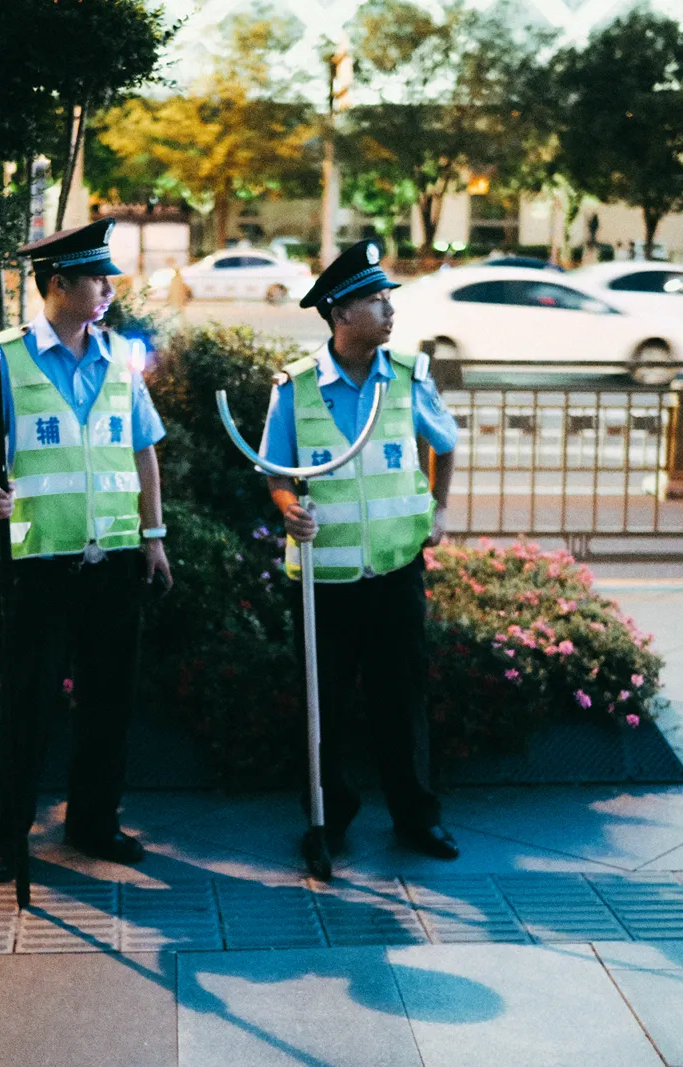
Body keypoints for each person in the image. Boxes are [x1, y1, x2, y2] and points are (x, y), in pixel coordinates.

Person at [0, 219, 172, 883]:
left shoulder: (118, 359)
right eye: (97, 278)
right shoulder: (8, 358)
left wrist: (154, 536)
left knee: (109, 699)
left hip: (114, 558)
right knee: (27, 703)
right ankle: (4, 836)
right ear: (59, 284)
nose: (108, 289)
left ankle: (93, 822)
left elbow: (143, 450)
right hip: (40, 561)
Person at [258, 238, 461, 860]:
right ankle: (328, 817)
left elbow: (444, 441)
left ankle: (415, 816)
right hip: (324, 577)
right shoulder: (294, 387)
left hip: (396, 569)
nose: (389, 309)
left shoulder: (407, 377)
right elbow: (274, 470)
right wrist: (289, 509)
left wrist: (440, 507)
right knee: (325, 706)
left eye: (387, 298)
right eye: (375, 300)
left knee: (401, 698)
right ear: (341, 313)